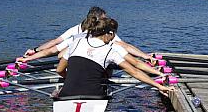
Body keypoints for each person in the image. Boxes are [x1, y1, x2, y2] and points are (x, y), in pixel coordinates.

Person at [56, 17, 174, 98]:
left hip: (67, 94)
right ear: (111, 34)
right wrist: (158, 85)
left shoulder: (76, 42)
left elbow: (59, 70)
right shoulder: (110, 51)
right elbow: (135, 71)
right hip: (93, 95)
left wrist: (72, 79)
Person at [22, 7, 156, 64]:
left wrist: (32, 55)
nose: (107, 21)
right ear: (97, 20)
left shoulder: (104, 32)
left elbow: (124, 45)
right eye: (104, 19)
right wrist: (34, 52)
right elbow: (54, 46)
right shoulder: (79, 32)